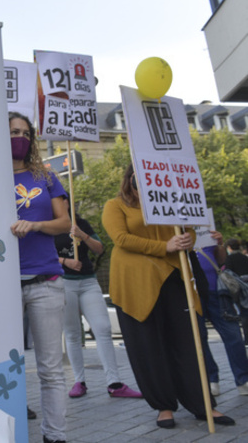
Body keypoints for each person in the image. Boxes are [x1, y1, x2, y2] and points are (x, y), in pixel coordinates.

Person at [103, 164, 233, 429]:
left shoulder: (171, 203)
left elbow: (188, 231)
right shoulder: (115, 205)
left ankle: (202, 403)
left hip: (174, 277)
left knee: (188, 343)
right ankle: (164, 406)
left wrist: (186, 239)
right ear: (129, 179)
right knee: (149, 347)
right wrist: (164, 247)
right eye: (137, 175)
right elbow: (120, 238)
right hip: (135, 283)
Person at [9, 112, 70, 443]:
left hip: (46, 282)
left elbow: (65, 223)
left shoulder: (46, 177)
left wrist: (35, 225)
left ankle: (55, 436)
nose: (20, 137)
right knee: (2, 365)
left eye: (25, 132)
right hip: (3, 287)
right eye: (13, 131)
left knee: (50, 370)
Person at [55, 207, 141, 399]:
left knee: (103, 328)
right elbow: (43, 255)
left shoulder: (81, 223)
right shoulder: (50, 226)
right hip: (64, 282)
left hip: (88, 281)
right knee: (72, 333)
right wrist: (65, 262)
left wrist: (83, 235)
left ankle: (114, 383)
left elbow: (99, 248)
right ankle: (79, 381)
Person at [195, 231, 248, 397]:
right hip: (192, 294)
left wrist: (219, 243)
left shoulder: (204, 228)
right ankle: (211, 379)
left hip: (216, 292)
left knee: (233, 336)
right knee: (199, 338)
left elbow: (221, 260)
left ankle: (243, 379)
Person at [224, 238, 248, 345]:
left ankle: (246, 337)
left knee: (243, 313)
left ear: (229, 247)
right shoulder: (244, 257)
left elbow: (228, 273)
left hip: (238, 288)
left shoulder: (229, 258)